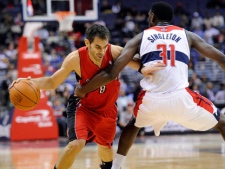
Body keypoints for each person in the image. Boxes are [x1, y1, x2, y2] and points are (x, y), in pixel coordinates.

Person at [74, 2, 225, 169]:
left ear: (152, 17)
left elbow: (111, 73)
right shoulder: (187, 35)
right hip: (181, 99)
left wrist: (82, 89)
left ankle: (115, 167)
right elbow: (221, 59)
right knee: (223, 124)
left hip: (151, 101)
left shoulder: (141, 37)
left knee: (132, 126)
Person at [9, 23, 164, 169]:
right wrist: (29, 82)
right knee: (76, 144)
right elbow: (52, 82)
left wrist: (151, 68)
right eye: (97, 46)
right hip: (83, 108)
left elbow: (139, 64)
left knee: (106, 147)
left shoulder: (114, 52)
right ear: (87, 43)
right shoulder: (75, 58)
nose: (101, 51)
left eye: (104, 47)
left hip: (107, 110)